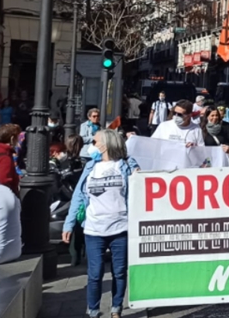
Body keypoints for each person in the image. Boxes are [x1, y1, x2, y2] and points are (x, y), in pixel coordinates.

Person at [64, 129, 139, 318]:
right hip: (93, 229)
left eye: (95, 142)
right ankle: (94, 310)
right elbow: (78, 197)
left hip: (120, 228)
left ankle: (116, 309)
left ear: (106, 145)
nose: (91, 146)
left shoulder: (126, 165)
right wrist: (69, 223)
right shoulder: (90, 167)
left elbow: (140, 188)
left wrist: (137, 172)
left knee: (120, 272)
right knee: (95, 274)